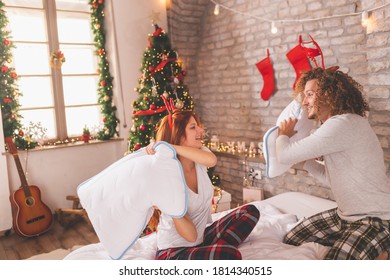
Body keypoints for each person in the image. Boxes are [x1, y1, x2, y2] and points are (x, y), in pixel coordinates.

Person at [276, 67, 390, 260]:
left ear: (328, 95)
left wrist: (283, 135)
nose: (305, 102)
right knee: (292, 239)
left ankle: (382, 249)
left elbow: (284, 155)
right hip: (344, 216)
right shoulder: (336, 125)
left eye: (310, 95)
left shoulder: (342, 124)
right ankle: (365, 247)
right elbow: (333, 179)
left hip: (374, 218)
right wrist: (306, 163)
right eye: (305, 96)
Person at [146, 109, 260, 260]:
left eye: (198, 126)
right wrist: (168, 204)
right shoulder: (170, 176)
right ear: (178, 135)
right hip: (174, 252)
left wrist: (170, 147)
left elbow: (212, 160)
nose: (201, 130)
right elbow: (190, 236)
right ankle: (215, 251)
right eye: (193, 127)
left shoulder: (199, 155)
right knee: (229, 255)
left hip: (200, 240)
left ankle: (211, 251)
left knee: (250, 211)